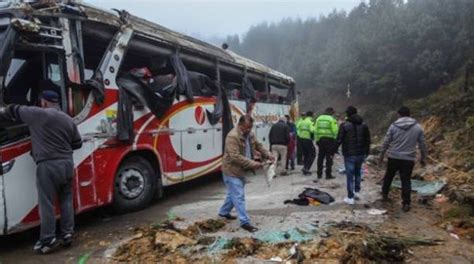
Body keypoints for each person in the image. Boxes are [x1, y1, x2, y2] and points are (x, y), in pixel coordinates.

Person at [0, 82, 82, 254]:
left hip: (48, 165)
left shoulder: (37, 114)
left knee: (47, 203)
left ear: (43, 102)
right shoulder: (68, 119)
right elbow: (77, 143)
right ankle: (67, 234)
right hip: (67, 164)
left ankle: (48, 239)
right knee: (66, 200)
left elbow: (13, 110)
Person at [218, 115, 273, 232]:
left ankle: (223, 213)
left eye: (251, 127)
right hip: (231, 170)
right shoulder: (232, 137)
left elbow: (259, 145)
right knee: (239, 196)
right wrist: (253, 164)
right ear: (240, 125)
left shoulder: (250, 134)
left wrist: (268, 154)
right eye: (247, 127)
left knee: (232, 194)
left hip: (241, 170)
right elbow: (235, 156)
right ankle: (244, 222)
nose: (249, 130)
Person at [380, 106, 427, 212]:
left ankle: (384, 194)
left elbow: (386, 141)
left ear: (399, 114)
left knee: (389, 176)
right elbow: (422, 144)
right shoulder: (418, 127)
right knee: (406, 180)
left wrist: (381, 154)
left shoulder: (393, 126)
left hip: (393, 156)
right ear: (410, 114)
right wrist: (424, 157)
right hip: (408, 158)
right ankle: (406, 203)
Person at [337, 106, 371, 205]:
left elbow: (339, 139)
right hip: (360, 154)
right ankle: (357, 192)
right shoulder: (364, 125)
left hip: (349, 154)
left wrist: (333, 150)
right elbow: (368, 140)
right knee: (358, 172)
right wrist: (366, 152)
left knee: (350, 175)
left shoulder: (344, 125)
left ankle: (350, 197)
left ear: (347, 114)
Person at [314, 107, 339, 180]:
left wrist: (317, 140)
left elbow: (316, 130)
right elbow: (335, 131)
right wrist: (335, 141)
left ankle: (319, 174)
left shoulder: (319, 118)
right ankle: (328, 174)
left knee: (320, 157)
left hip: (321, 140)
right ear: (331, 112)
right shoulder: (331, 119)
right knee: (329, 157)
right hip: (329, 141)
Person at [296, 111, 316, 175]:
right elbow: (312, 130)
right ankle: (306, 168)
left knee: (306, 154)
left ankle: (305, 167)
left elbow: (297, 128)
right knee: (312, 154)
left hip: (301, 139)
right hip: (307, 139)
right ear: (312, 115)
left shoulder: (302, 121)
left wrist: (300, 135)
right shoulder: (310, 122)